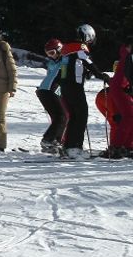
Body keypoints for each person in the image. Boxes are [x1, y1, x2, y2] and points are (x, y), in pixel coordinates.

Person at [58, 24, 108, 159]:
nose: (90, 42)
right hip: (75, 86)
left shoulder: (66, 48)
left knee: (74, 116)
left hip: (65, 86)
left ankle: (68, 146)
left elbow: (71, 66)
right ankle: (74, 147)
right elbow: (87, 61)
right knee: (81, 115)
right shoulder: (79, 47)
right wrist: (99, 74)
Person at [103, 36, 133, 157]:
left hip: (122, 88)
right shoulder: (128, 55)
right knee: (129, 116)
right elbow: (129, 73)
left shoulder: (126, 55)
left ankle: (126, 146)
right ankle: (117, 146)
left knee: (130, 117)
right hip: (121, 89)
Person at [35, 39, 66, 153]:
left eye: (52, 53)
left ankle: (54, 141)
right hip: (49, 90)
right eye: (48, 54)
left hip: (44, 91)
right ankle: (49, 140)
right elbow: (62, 79)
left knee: (59, 117)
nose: (51, 56)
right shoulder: (61, 62)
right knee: (62, 117)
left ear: (59, 50)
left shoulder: (60, 62)